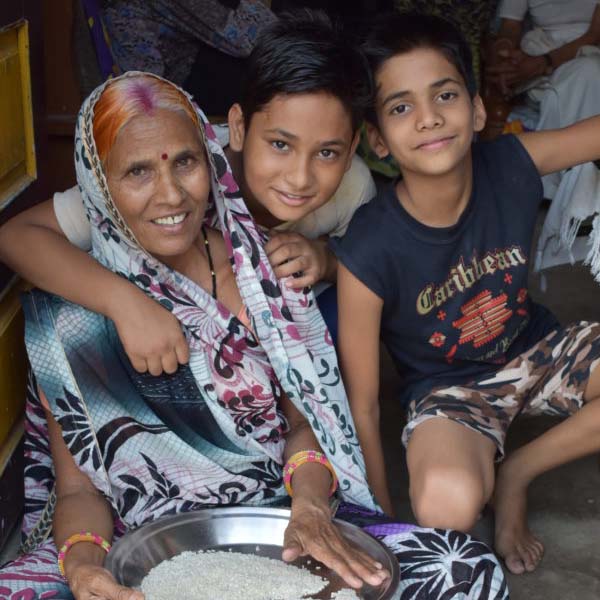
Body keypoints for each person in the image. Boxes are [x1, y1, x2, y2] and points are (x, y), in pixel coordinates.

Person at [0, 72, 508, 599]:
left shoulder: (265, 272)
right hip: (139, 543)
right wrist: (85, 569)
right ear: (100, 188)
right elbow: (81, 488)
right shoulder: (72, 321)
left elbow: (303, 426)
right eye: (138, 172)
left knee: (464, 568)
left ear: (212, 162)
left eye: (186, 162)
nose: (171, 194)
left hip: (277, 526)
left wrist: (310, 509)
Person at [331, 12, 600, 576]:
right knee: (444, 506)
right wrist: (383, 527)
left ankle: (519, 471)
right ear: (376, 138)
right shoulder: (367, 247)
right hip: (450, 392)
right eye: (401, 107)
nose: (429, 118)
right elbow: (360, 404)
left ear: (476, 109)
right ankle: (484, 470)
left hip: (540, 351)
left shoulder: (511, 163)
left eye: (445, 94)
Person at [0, 11, 374, 374]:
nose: (299, 177)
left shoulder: (351, 186)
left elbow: (382, 269)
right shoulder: (178, 175)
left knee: (352, 308)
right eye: (280, 144)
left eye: (326, 152)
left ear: (353, 144)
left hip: (282, 370)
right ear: (238, 127)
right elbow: (17, 236)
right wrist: (123, 302)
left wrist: (326, 259)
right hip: (165, 357)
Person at [486, 0, 600, 278]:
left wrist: (545, 63)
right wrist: (505, 51)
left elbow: (594, 34)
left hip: (586, 52)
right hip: (538, 52)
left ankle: (566, 196)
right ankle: (567, 197)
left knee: (587, 75)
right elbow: (510, 27)